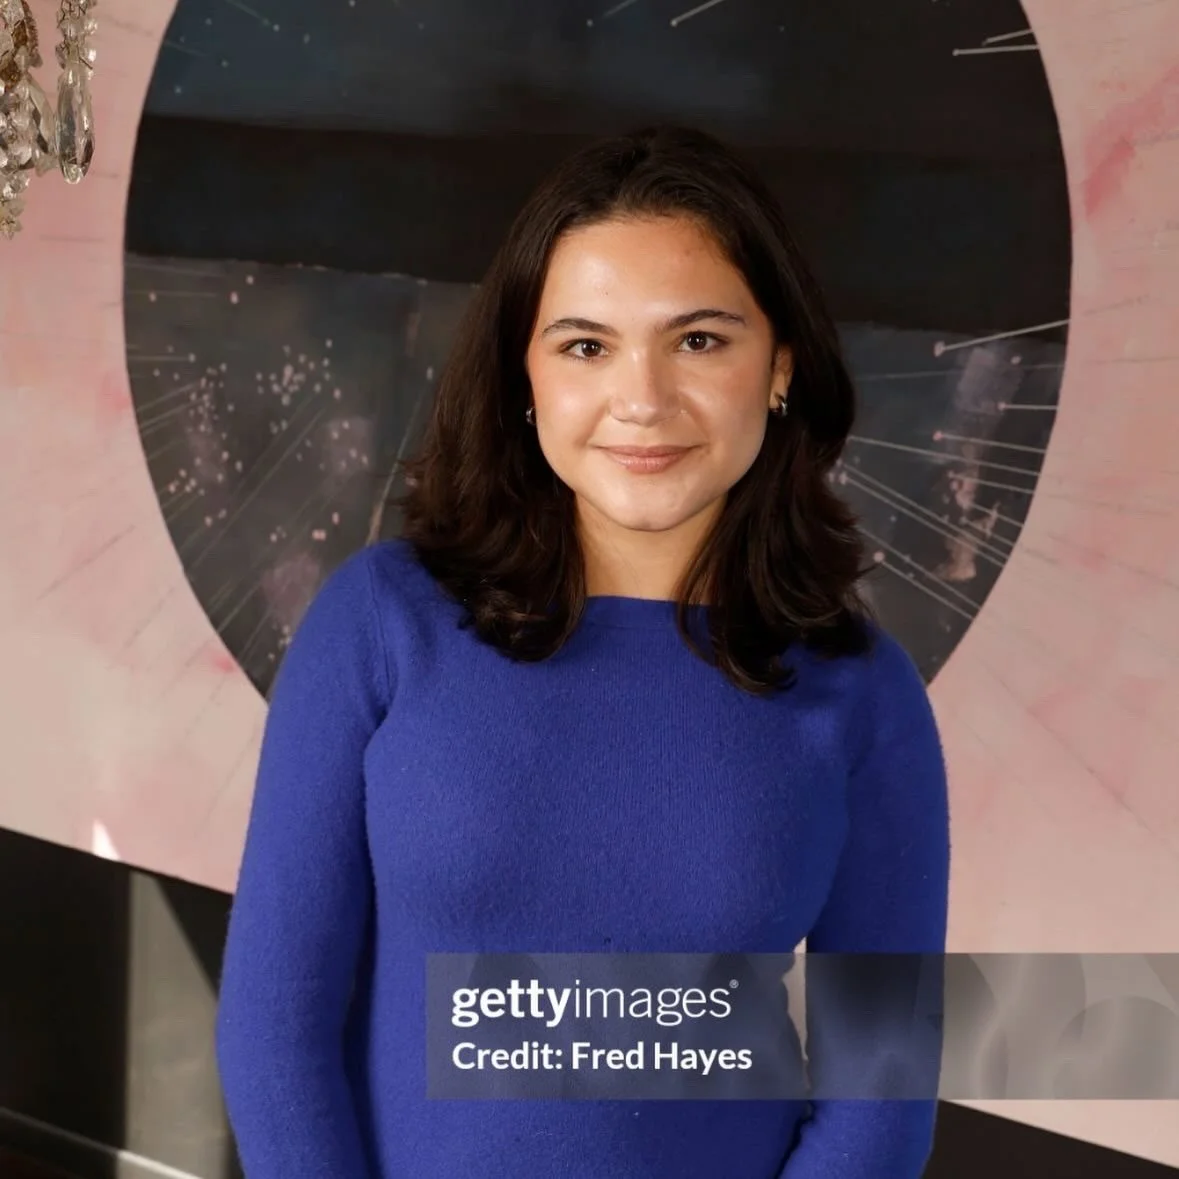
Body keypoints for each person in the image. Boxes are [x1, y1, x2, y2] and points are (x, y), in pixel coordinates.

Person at [215, 123, 951, 1178]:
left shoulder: (863, 696)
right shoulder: (382, 621)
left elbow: (878, 1101)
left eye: (699, 340)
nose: (641, 400)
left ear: (779, 365)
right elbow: (275, 1036)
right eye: (585, 345)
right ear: (527, 374)